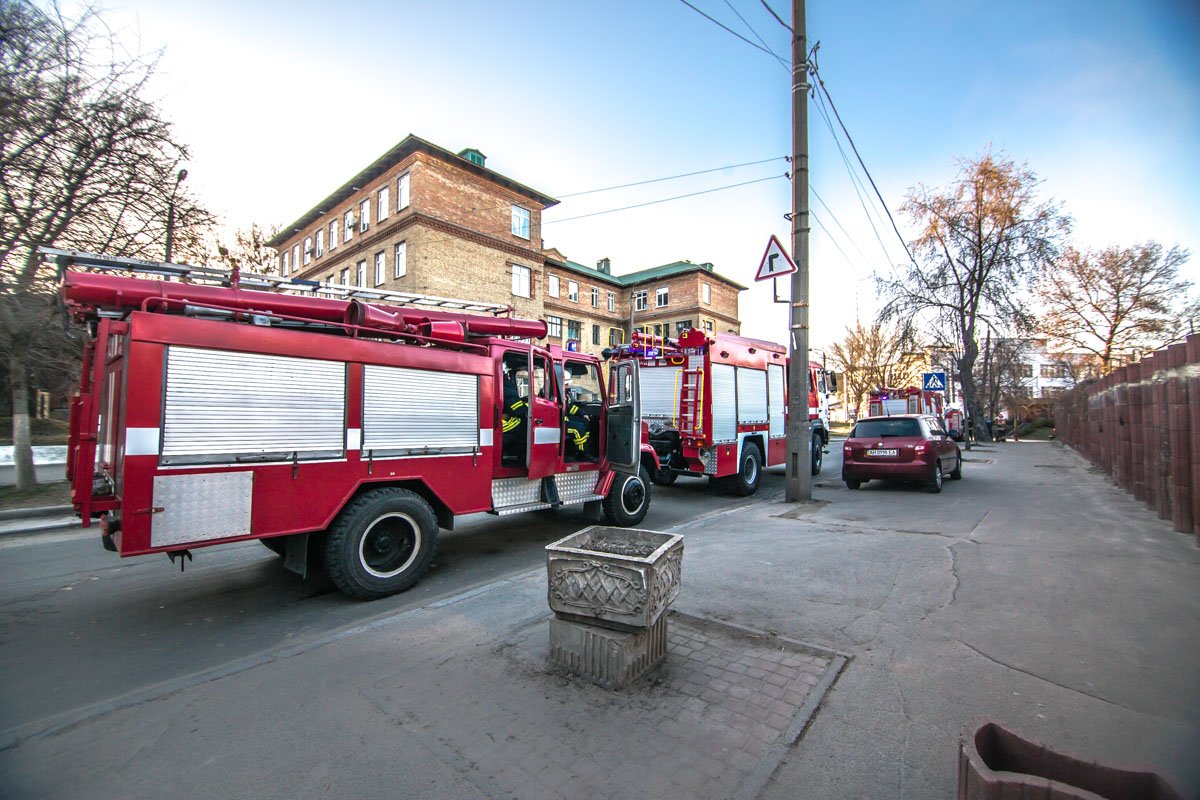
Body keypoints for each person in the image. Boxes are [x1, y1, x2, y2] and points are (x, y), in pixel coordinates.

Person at [501, 367, 528, 463]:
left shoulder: (502, 386)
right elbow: (520, 411)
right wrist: (528, 405)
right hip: (498, 425)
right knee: (522, 424)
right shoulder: (507, 389)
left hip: (497, 421)